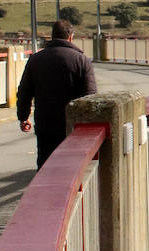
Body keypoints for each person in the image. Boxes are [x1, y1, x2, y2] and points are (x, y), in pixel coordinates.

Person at [16, 20, 97, 168]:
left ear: (52, 37)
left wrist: (23, 117)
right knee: (72, 167)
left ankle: (44, 191)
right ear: (71, 37)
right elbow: (90, 96)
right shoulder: (81, 60)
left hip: (45, 124)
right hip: (74, 126)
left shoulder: (36, 60)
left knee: (46, 164)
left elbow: (24, 91)